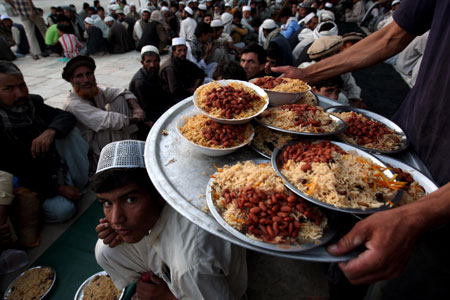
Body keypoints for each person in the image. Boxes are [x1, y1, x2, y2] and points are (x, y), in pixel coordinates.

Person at [273, 0, 450, 298]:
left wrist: (416, 216)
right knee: (345, 266)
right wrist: (307, 75)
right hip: (399, 149)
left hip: (442, 207)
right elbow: (391, 36)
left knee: (392, 285)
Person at [93, 140, 247, 300]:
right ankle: (160, 279)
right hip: (168, 245)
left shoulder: (191, 264)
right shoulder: (168, 189)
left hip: (208, 285)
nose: (116, 219)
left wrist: (166, 296)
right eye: (107, 203)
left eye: (130, 200)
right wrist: (121, 231)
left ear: (160, 193)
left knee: (185, 275)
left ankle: (177, 290)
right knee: (106, 250)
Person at [0, 61, 89, 223]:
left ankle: (79, 185)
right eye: (9, 89)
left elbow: (66, 117)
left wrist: (50, 131)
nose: (19, 94)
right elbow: (14, 172)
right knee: (64, 211)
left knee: (70, 133)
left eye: (22, 86)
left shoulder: (32, 104)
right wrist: (57, 189)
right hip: (28, 186)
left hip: (50, 170)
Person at [62, 56, 145, 168]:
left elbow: (121, 91)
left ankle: (130, 143)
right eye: (79, 76)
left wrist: (137, 109)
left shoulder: (92, 91)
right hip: (93, 147)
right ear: (71, 81)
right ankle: (125, 153)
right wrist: (136, 119)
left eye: (89, 74)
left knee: (119, 98)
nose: (86, 80)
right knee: (115, 122)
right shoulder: (74, 104)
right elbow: (110, 120)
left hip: (106, 134)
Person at [129, 45, 169, 139]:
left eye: (155, 61)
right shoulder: (140, 82)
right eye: (148, 61)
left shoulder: (154, 73)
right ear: (142, 62)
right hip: (148, 121)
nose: (152, 65)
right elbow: (144, 109)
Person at [160, 37, 205, 104]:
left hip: (188, 91)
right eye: (179, 50)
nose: (183, 53)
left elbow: (200, 73)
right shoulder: (170, 67)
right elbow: (175, 91)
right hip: (173, 99)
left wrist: (194, 87)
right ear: (174, 51)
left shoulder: (183, 61)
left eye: (184, 50)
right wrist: (191, 91)